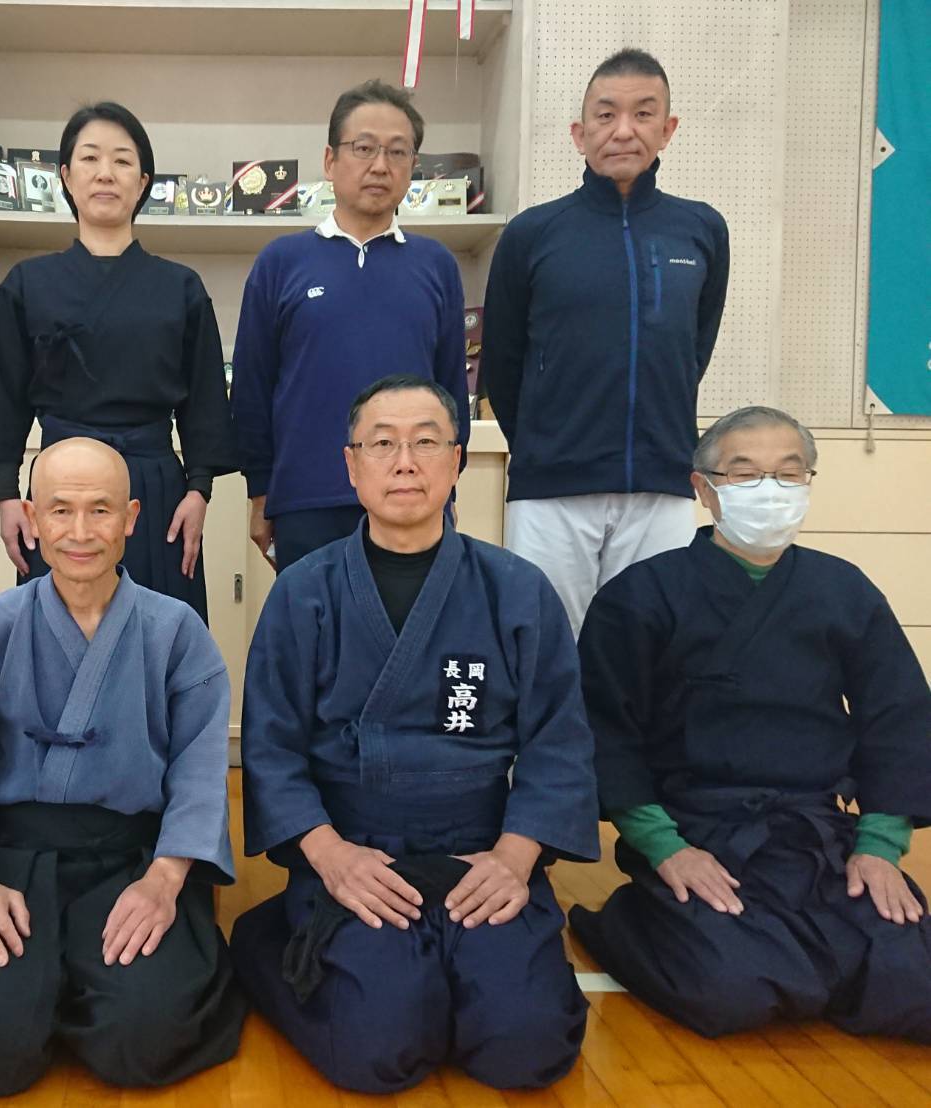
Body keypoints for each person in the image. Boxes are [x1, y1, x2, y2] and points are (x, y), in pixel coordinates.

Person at [230, 375, 598, 1093]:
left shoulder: (516, 590)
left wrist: (515, 856)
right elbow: (271, 747)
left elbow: (559, 742)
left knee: (528, 1049)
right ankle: (269, 937)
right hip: (355, 849)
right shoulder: (303, 591)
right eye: (382, 444)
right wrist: (330, 856)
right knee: (380, 1050)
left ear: (456, 461)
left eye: (426, 442)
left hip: (478, 850)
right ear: (351, 465)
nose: (404, 462)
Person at [0, 438, 246, 1096]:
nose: (81, 531)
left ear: (131, 518)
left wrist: (163, 882)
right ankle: (30, 993)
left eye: (101, 510)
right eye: (61, 510)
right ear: (32, 519)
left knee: (147, 1034)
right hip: (10, 860)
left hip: (131, 861)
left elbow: (202, 779)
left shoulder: (177, 632)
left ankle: (68, 992)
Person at [569, 406, 931, 1041]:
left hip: (815, 834)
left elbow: (898, 717)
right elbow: (605, 727)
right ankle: (632, 919)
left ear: (809, 483)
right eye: (744, 474)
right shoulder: (640, 595)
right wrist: (666, 848)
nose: (770, 491)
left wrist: (878, 846)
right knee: (730, 992)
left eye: (788, 474)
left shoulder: (845, 591)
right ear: (703, 489)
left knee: (916, 984)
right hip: (695, 830)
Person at [481, 49, 730, 636]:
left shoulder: (701, 230)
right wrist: (544, 445)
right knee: (545, 648)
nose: (624, 130)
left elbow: (693, 351)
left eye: (643, 114)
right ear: (579, 133)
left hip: (662, 484)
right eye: (606, 114)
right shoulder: (532, 234)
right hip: (551, 489)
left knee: (649, 652)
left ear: (668, 129)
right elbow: (503, 362)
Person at [0, 102, 237, 622]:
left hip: (154, 491)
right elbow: (4, 397)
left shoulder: (180, 287)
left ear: (143, 182)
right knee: (54, 636)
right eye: (90, 159)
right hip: (60, 487)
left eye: (122, 160)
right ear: (66, 178)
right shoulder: (27, 285)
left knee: (157, 637)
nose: (105, 173)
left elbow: (205, 399)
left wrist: (199, 491)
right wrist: (7, 497)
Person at [231, 80, 468, 573]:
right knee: (314, 622)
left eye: (397, 152)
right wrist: (260, 492)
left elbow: (450, 390)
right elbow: (253, 388)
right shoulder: (281, 263)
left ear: (413, 166)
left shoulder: (436, 266)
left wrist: (447, 486)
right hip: (307, 499)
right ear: (330, 160)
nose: (380, 165)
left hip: (412, 494)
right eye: (364, 148)